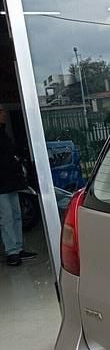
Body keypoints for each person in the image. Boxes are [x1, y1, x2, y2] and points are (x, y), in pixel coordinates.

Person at [0, 107, 36, 266]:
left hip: (11, 182)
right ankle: (12, 252)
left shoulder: (3, 133)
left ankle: (18, 248)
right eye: (0, 111)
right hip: (1, 185)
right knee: (6, 217)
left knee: (16, 215)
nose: (4, 113)